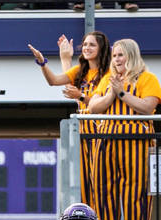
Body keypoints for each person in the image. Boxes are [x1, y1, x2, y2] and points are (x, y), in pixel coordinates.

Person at [88, 38, 161, 220]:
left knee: (136, 189)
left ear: (131, 55)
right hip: (106, 141)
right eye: (114, 55)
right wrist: (112, 93)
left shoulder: (147, 78)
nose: (117, 59)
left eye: (121, 55)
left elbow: (148, 107)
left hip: (136, 142)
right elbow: (93, 107)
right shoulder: (107, 80)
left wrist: (122, 93)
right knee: (102, 189)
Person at [29, 31, 112, 209]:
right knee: (85, 183)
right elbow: (54, 81)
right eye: (85, 44)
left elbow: (103, 104)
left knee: (102, 184)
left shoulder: (109, 73)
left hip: (103, 132)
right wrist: (42, 62)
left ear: (102, 48)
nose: (87, 48)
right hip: (84, 132)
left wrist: (81, 96)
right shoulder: (81, 70)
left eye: (92, 45)